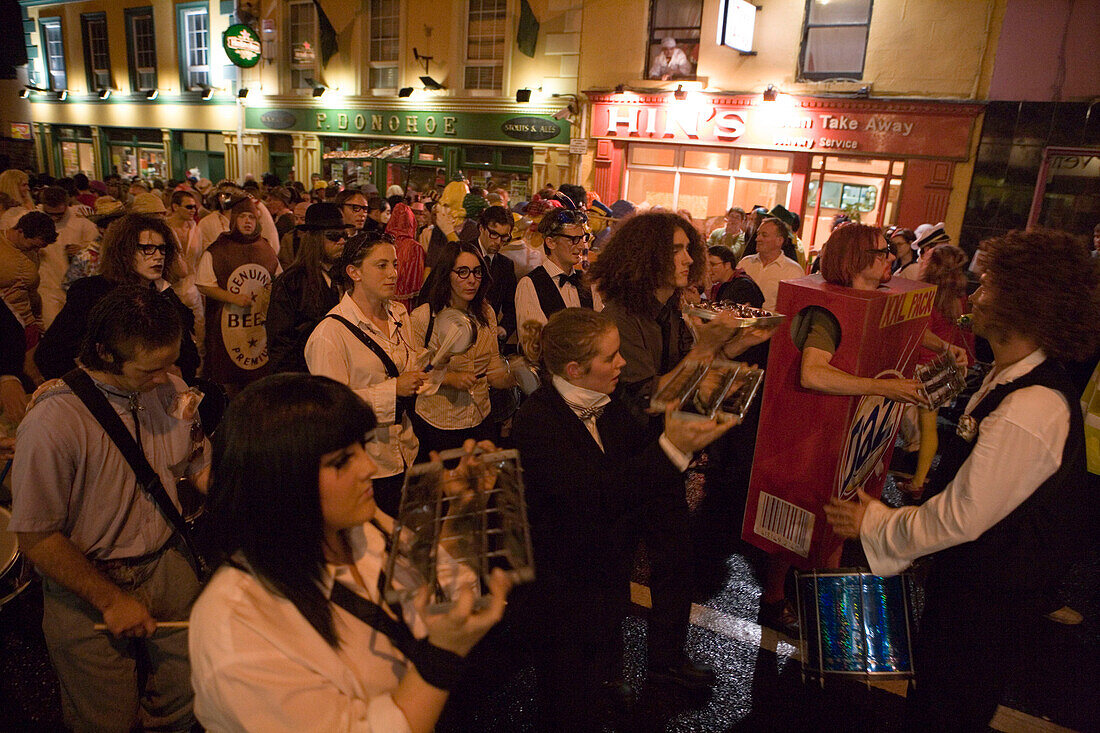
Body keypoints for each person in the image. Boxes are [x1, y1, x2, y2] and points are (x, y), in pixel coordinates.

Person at [825, 228, 1099, 731]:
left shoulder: (1029, 406)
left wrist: (875, 522)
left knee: (948, 709)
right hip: (973, 592)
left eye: (988, 284)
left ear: (1024, 303)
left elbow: (962, 517)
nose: (974, 294)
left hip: (986, 605)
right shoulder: (1012, 378)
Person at [189, 373, 511, 732]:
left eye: (363, 447)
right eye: (342, 461)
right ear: (282, 478)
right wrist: (442, 658)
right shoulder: (236, 624)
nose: (369, 467)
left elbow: (438, 589)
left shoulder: (359, 527)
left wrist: (466, 513)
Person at [512, 308, 734, 730]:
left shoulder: (605, 403)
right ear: (574, 369)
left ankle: (604, 686)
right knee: (566, 698)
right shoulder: (537, 423)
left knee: (598, 665)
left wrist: (704, 398)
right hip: (563, 593)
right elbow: (603, 494)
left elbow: (639, 448)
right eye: (611, 357)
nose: (622, 364)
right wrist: (674, 447)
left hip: (605, 577)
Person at [11, 286, 211, 733]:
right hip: (88, 577)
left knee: (186, 694)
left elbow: (196, 462)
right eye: (150, 369)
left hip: (166, 560)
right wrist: (110, 600)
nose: (167, 378)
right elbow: (36, 537)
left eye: (170, 363)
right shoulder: (52, 422)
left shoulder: (172, 389)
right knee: (105, 716)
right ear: (104, 353)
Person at [587, 211, 773, 690]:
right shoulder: (621, 318)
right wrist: (708, 346)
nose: (690, 259)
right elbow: (652, 398)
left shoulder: (670, 311)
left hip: (665, 458)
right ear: (647, 256)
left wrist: (732, 349)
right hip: (626, 462)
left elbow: (687, 376)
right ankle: (605, 676)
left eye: (689, 248)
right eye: (677, 250)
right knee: (611, 573)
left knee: (675, 563)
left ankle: (665, 660)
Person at [756, 223, 964, 632]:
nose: (890, 256)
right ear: (854, 259)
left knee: (837, 519)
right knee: (806, 522)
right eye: (880, 251)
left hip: (857, 434)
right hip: (815, 436)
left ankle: (810, 605)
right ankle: (798, 608)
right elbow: (813, 373)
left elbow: (904, 327)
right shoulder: (827, 312)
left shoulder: (877, 299)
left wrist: (944, 346)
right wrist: (884, 387)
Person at [305, 232, 428, 517]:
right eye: (381, 265)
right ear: (354, 272)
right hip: (368, 464)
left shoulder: (399, 315)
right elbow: (331, 410)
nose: (393, 274)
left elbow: (409, 369)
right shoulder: (330, 334)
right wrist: (392, 390)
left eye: (395, 265)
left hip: (407, 450)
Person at [36, 214, 200, 382]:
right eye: (147, 248)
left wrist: (177, 371)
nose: (158, 256)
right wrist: (97, 389)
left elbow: (189, 354)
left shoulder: (164, 292)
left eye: (162, 249)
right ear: (124, 253)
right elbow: (50, 355)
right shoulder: (92, 292)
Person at [409, 242, 516, 457]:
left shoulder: (486, 312)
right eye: (462, 272)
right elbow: (412, 372)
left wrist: (510, 375)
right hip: (439, 422)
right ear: (446, 274)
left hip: (480, 416)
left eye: (477, 272)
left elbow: (493, 360)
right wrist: (449, 378)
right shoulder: (424, 316)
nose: (471, 280)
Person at [898, 245, 976, 496]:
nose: (920, 261)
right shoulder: (958, 296)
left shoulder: (927, 294)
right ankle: (918, 482)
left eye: (925, 258)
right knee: (929, 427)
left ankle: (914, 480)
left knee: (897, 415)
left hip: (923, 367)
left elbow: (920, 333)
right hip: (947, 367)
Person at [195, 198, 281, 394]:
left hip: (258, 324)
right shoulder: (217, 250)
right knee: (228, 377)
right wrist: (232, 298)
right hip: (227, 324)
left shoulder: (266, 248)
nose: (247, 221)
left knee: (258, 378)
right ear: (234, 220)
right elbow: (203, 284)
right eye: (242, 217)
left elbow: (277, 277)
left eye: (251, 217)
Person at [266, 203, 350, 373]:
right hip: (306, 375)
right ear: (315, 238)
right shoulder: (291, 282)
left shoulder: (348, 276)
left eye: (344, 235)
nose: (342, 241)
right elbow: (280, 344)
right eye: (334, 236)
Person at [514, 208, 601, 328]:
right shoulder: (529, 284)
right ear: (550, 242)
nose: (581, 246)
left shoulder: (588, 282)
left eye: (583, 238)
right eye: (573, 239)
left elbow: (600, 331)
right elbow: (532, 341)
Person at [36, 186, 99, 329]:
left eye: (58, 214)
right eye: (49, 214)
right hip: (46, 286)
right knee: (52, 327)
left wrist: (82, 249)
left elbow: (99, 246)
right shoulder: (34, 220)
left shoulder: (81, 221)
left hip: (75, 286)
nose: (54, 218)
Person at [1, 211, 57, 351]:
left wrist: (38, 319)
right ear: (21, 231)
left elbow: (32, 293)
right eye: (33, 245)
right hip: (4, 325)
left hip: (27, 323)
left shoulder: (33, 254)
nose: (37, 250)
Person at [738, 217, 805, 311]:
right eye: (758, 234)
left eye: (764, 235)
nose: (758, 239)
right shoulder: (745, 263)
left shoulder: (793, 272)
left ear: (779, 241)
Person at [474, 206, 518, 345]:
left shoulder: (506, 265)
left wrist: (504, 328)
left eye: (504, 237)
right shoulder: (461, 253)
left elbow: (511, 306)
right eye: (494, 234)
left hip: (489, 340)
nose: (498, 242)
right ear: (481, 228)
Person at [387, 202, 427, 313]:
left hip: (383, 299)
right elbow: (417, 283)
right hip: (406, 305)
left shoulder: (384, 243)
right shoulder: (415, 247)